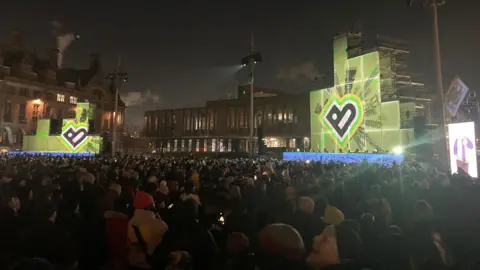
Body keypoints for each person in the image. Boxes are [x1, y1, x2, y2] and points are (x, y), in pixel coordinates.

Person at [127, 191, 168, 270]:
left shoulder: (131, 222)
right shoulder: (157, 224)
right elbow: (165, 230)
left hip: (132, 262)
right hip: (148, 263)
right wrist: (160, 220)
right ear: (150, 206)